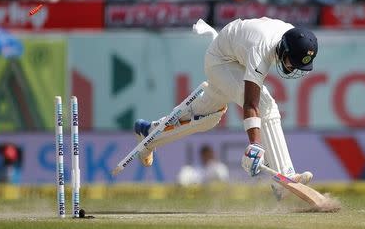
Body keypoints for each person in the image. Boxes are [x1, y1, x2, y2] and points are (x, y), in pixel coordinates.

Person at [134, 17, 317, 200]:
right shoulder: (261, 49)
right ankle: (285, 178)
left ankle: (150, 132)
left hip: (235, 54)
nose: (293, 68)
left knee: (207, 118)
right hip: (222, 61)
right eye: (292, 62)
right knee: (266, 105)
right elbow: (251, 104)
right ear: (284, 48)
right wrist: (255, 144)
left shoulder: (294, 37)